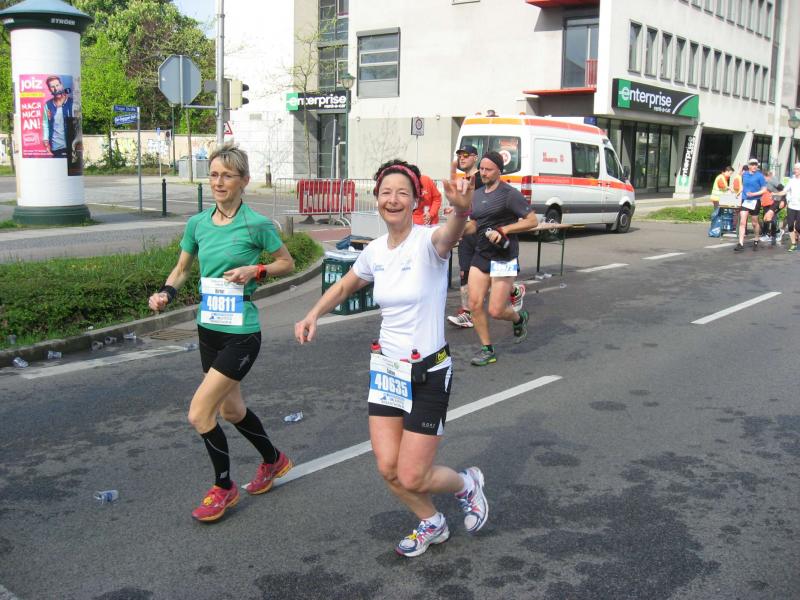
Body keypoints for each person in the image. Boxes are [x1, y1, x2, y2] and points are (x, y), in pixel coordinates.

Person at [295, 159, 489, 558]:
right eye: (386, 192)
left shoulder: (429, 242)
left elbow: (451, 232)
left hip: (429, 371)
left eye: (402, 192)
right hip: (387, 371)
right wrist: (313, 314)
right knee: (388, 468)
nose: (393, 199)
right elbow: (346, 286)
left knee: (413, 474)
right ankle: (432, 522)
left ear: (416, 200)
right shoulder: (375, 251)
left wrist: (462, 210)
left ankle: (467, 484)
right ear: (377, 199)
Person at [148, 143, 295, 522]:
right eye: (213, 175)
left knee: (200, 413)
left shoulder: (256, 224)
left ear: (244, 181)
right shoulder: (197, 224)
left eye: (227, 175)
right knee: (231, 409)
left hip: (241, 334)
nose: (218, 182)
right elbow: (181, 270)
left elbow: (286, 263)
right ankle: (274, 460)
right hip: (208, 329)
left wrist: (256, 270)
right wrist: (166, 293)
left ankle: (223, 487)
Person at [467, 151, 538, 366]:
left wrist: (505, 229)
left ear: (499, 170)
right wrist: (457, 230)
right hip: (481, 254)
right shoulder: (477, 194)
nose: (484, 173)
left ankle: (519, 318)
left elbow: (532, 220)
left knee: (496, 311)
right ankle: (487, 349)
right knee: (474, 304)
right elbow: (475, 223)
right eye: (482, 168)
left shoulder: (509, 194)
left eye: (488, 169)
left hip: (503, 257)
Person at [447, 144, 525, 329]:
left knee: (495, 302)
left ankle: (513, 290)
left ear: (475, 157)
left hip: (489, 241)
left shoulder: (484, 181)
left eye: (466, 155)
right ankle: (468, 313)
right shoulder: (465, 180)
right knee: (465, 271)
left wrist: (504, 230)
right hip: (470, 233)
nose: (461, 158)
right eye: (459, 155)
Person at [734, 158, 766, 252]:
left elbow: (764, 190)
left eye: (755, 164)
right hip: (745, 200)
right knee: (742, 222)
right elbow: (741, 182)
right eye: (752, 164)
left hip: (755, 200)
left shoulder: (760, 176)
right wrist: (739, 192)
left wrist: (754, 194)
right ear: (748, 166)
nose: (754, 166)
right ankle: (740, 243)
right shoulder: (745, 174)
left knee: (754, 222)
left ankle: (756, 238)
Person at [42, 76, 73, 158]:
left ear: (61, 85)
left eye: (57, 85)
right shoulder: (48, 105)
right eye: (52, 87)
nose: (56, 89)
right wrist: (46, 141)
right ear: (49, 89)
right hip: (55, 148)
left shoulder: (71, 102)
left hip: (70, 146)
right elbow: (45, 123)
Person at [760, 169, 787, 245]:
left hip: (780, 201)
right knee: (767, 217)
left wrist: (783, 200)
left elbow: (784, 189)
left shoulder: (772, 180)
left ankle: (774, 236)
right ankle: (778, 232)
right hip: (775, 201)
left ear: (765, 176)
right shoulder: (766, 182)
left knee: (771, 217)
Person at [784, 163, 800, 252]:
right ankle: (793, 244)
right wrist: (776, 193)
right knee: (790, 225)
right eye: (794, 169)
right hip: (791, 206)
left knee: (798, 227)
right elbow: (785, 190)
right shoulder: (791, 180)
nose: (795, 170)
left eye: (797, 169)